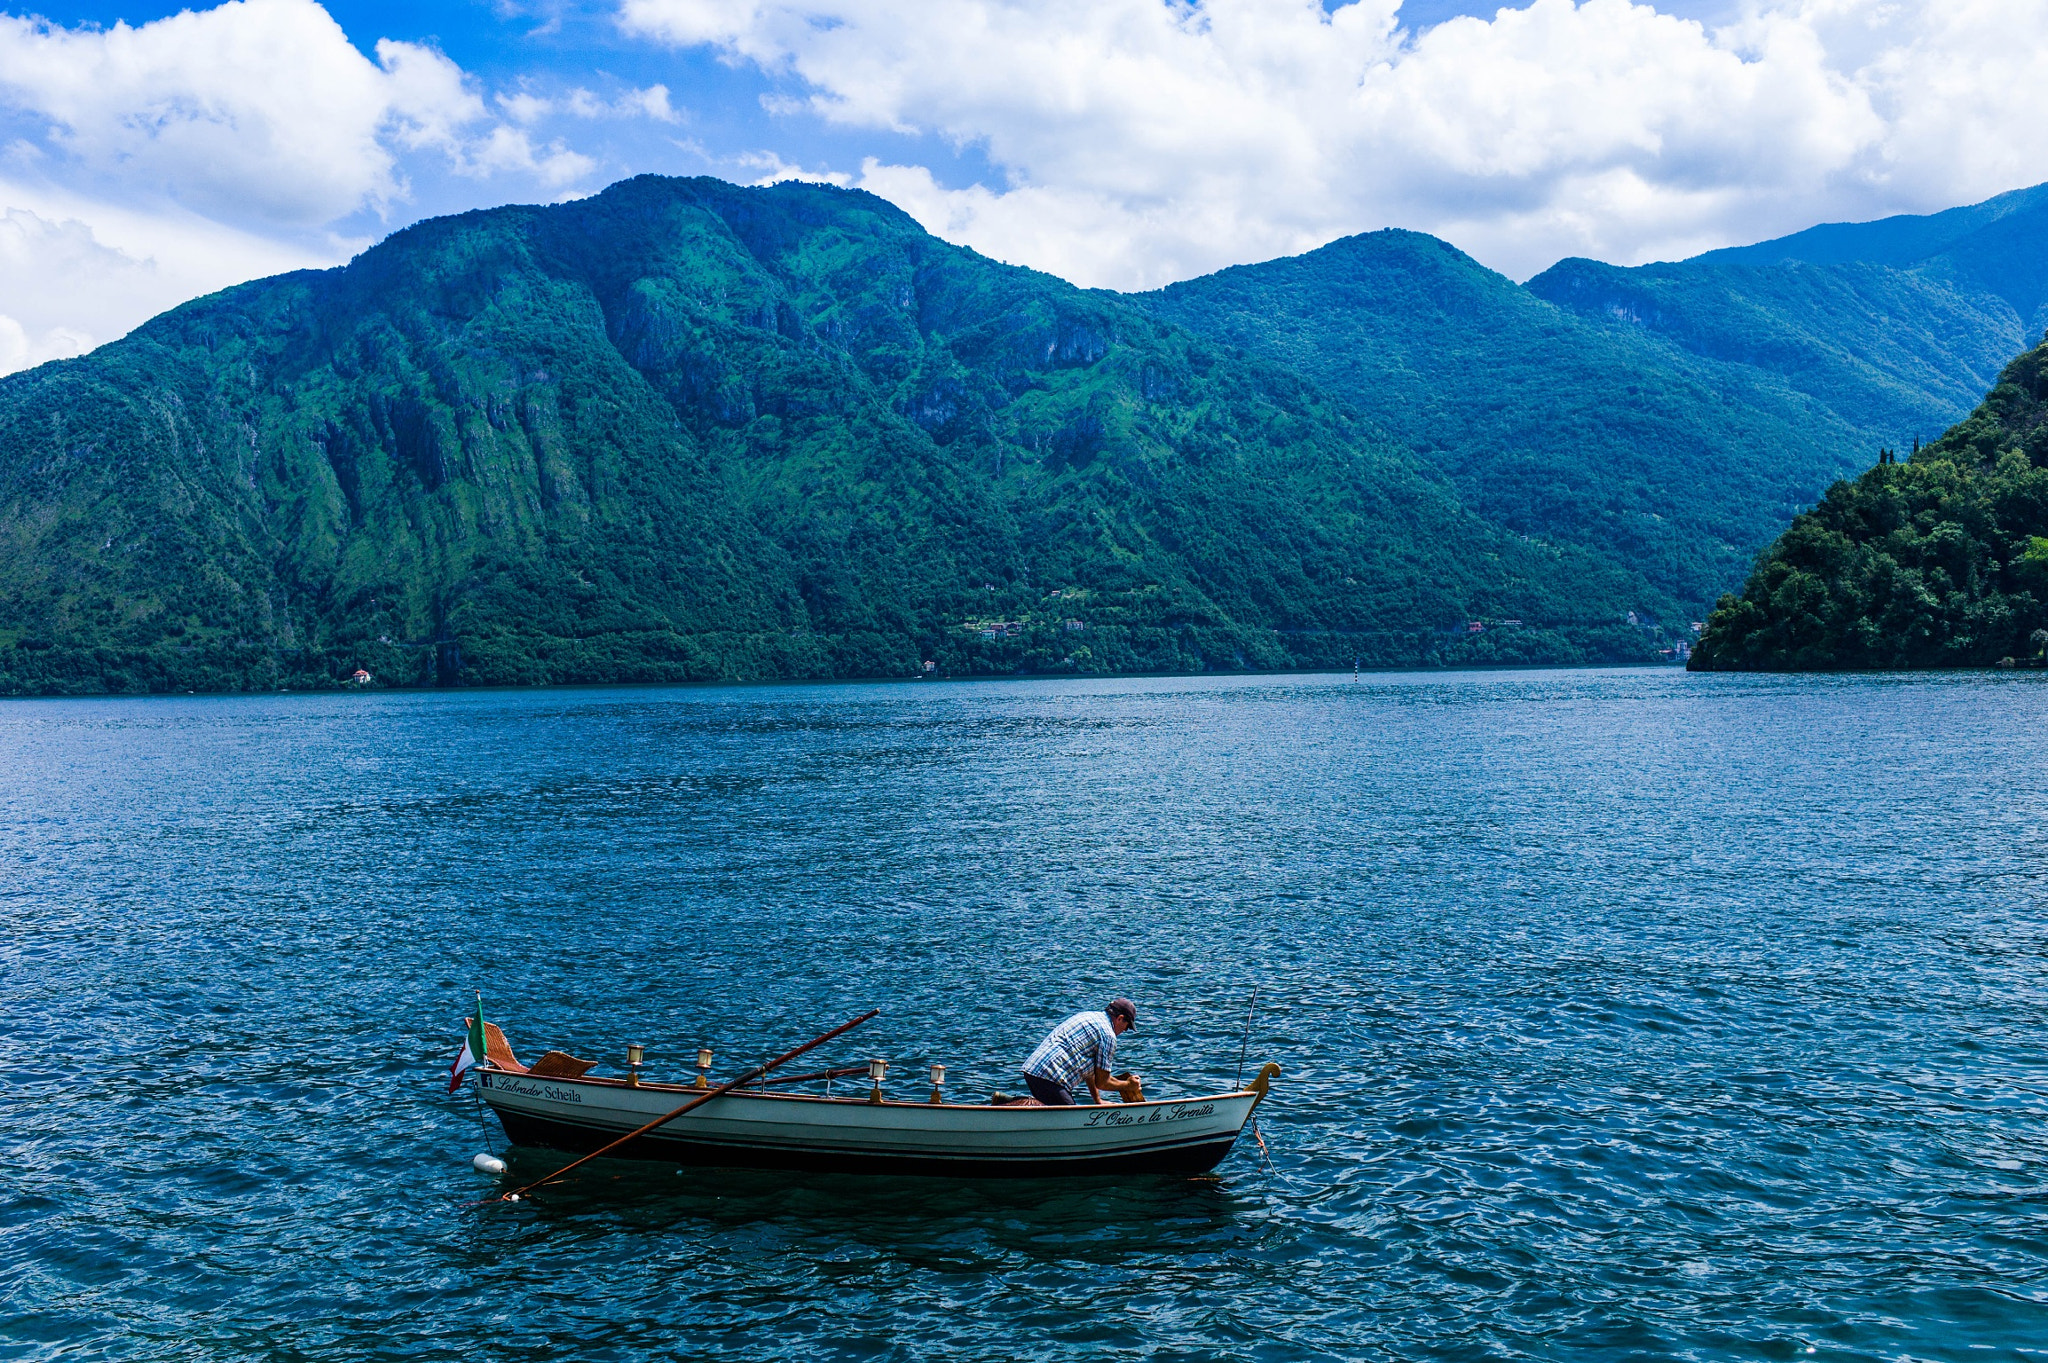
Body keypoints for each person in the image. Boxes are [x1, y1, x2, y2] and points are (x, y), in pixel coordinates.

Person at [1021, 998, 1141, 1105]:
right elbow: (1103, 1082)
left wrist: (1097, 1100)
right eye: (1127, 1026)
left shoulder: (1088, 1016)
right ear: (1120, 1018)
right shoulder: (1108, 1035)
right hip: (1050, 1077)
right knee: (1072, 1120)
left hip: (1033, 1069)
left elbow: (1091, 1071)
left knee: (1059, 1116)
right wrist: (1128, 1085)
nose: (1125, 1030)